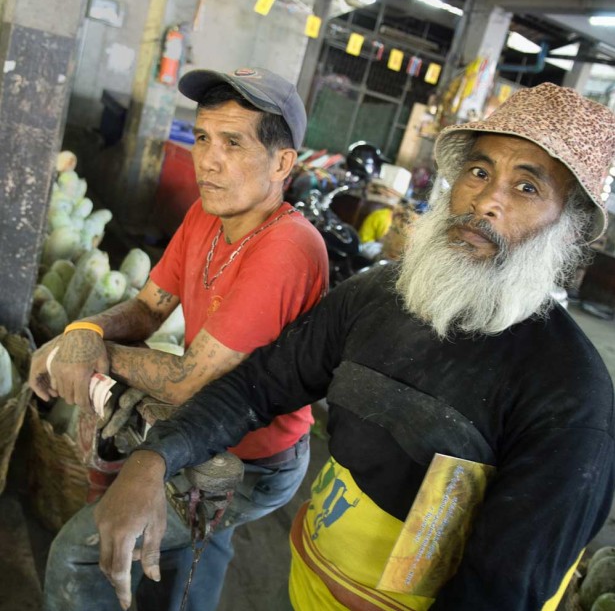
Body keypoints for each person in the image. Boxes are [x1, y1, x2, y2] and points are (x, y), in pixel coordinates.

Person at [95, 82, 615, 611]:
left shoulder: (571, 394)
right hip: (305, 582)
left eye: (526, 189)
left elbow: (498, 592)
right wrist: (155, 456)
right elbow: (259, 385)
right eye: (478, 173)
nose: (486, 202)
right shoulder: (381, 295)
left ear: (569, 228)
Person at [29, 67, 328, 611]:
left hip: (255, 459)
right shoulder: (205, 216)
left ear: (283, 163)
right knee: (195, 552)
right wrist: (85, 329)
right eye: (203, 138)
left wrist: (86, 350)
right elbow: (148, 308)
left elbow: (191, 381)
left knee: (79, 553)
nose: (207, 159)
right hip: (202, 436)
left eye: (233, 143)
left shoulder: (288, 248)